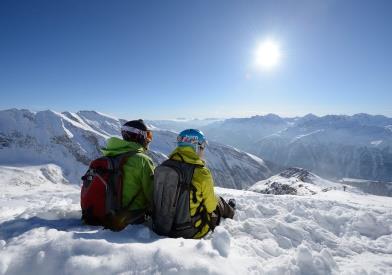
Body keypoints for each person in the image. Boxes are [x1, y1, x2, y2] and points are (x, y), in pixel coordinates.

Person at [167, 129, 235, 238]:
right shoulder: (201, 172)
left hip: (163, 226)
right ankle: (231, 211)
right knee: (217, 200)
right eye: (202, 146)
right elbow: (211, 207)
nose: (203, 150)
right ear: (196, 147)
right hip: (190, 230)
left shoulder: (165, 166)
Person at [100, 119, 155, 227]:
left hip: (106, 213)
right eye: (148, 135)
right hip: (132, 218)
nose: (148, 139)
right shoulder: (142, 160)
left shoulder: (110, 155)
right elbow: (152, 194)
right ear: (139, 136)